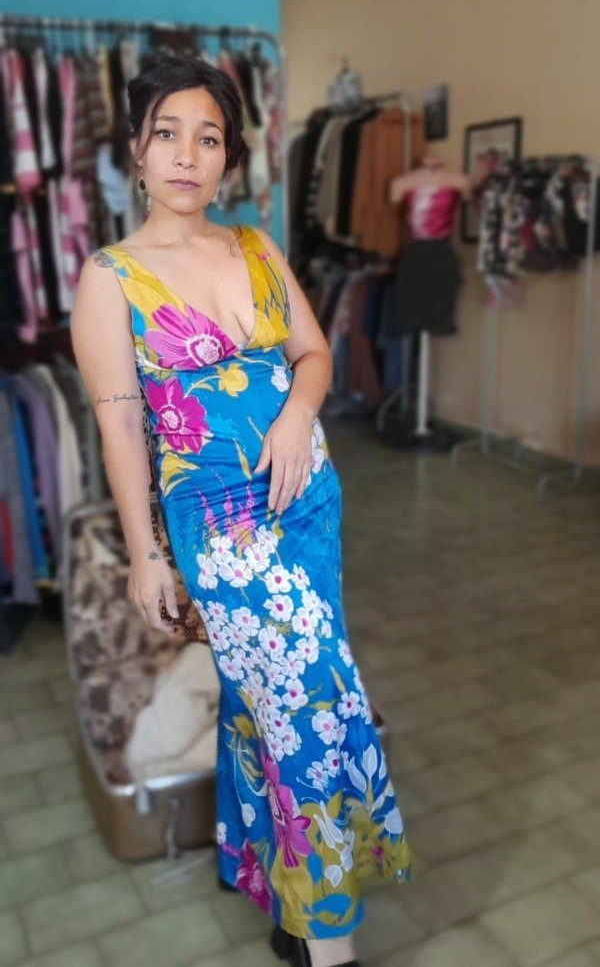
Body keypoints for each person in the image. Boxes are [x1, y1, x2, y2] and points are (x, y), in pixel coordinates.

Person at [71, 53, 411, 967]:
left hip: (310, 502)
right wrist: (146, 553)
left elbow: (314, 355)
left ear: (229, 156)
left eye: (210, 137)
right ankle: (329, 945)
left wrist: (298, 415)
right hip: (220, 524)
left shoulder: (255, 246)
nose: (188, 155)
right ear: (137, 149)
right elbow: (121, 426)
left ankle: (269, 884)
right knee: (312, 708)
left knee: (263, 698)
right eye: (168, 134)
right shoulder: (110, 277)